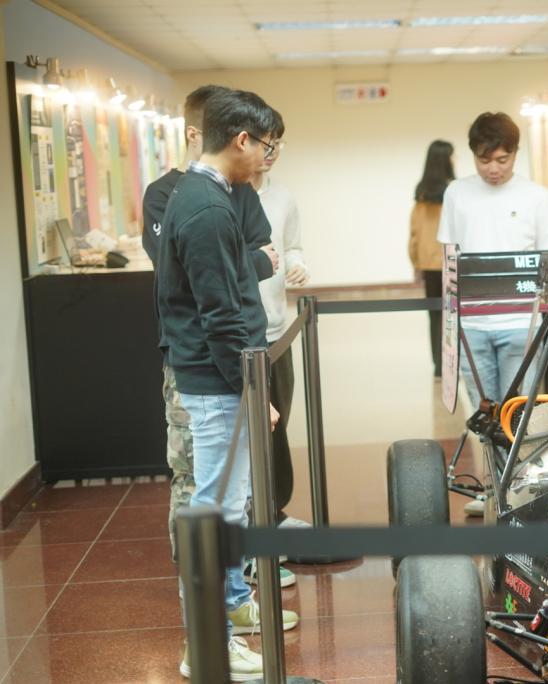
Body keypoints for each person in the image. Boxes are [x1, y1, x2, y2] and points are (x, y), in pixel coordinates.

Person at [155, 88, 298, 680]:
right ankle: (205, 644)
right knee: (214, 510)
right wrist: (251, 390)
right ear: (242, 139)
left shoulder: (211, 195)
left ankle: (233, 605)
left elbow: (240, 279)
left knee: (232, 504)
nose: (268, 156)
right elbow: (221, 315)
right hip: (214, 384)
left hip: (222, 378)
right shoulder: (208, 208)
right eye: (266, 145)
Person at [437, 112, 548, 515]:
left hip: (520, 324)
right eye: (484, 160)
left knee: (518, 412)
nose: (493, 168)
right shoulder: (457, 193)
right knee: (485, 413)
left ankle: (518, 492)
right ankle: (493, 492)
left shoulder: (535, 196)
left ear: (515, 154)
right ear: (473, 155)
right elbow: (449, 257)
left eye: (502, 159)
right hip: (472, 324)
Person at [250, 108, 310, 535]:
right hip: (241, 334)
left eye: (277, 144)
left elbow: (293, 246)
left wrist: (298, 265)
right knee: (253, 427)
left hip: (277, 329)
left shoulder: (283, 197)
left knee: (278, 424)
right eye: (264, 143)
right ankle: (257, 515)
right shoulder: (228, 196)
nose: (271, 152)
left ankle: (275, 509)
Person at [409, 139, 455, 377]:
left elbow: (415, 232)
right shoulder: (455, 191)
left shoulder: (422, 193)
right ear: (446, 159)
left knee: (435, 314)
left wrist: (416, 263)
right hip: (452, 262)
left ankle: (438, 365)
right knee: (452, 314)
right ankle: (451, 362)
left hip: (429, 264)